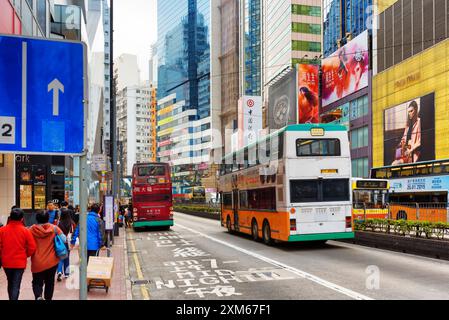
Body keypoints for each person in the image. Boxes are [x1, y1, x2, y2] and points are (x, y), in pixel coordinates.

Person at [0, 208, 36, 300]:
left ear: (10, 217)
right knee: (16, 284)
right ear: (22, 219)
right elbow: (32, 247)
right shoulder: (25, 231)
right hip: (20, 262)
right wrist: (25, 254)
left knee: (10, 282)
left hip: (6, 261)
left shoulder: (2, 230)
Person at [29, 211, 66, 301]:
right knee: (50, 282)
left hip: (37, 261)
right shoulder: (54, 228)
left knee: (37, 282)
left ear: (37, 219)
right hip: (52, 261)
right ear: (48, 218)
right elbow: (64, 239)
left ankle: (38, 296)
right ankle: (48, 298)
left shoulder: (31, 229)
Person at [392, 101, 422, 165]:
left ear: (416, 110)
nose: (410, 113)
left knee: (395, 164)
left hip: (413, 153)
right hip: (405, 152)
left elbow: (419, 141)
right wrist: (399, 145)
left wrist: (410, 150)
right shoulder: (408, 125)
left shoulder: (419, 122)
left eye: (411, 111)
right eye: (408, 111)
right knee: (394, 163)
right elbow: (404, 138)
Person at [57, 204, 74, 282]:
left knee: (61, 256)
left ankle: (59, 271)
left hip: (60, 241)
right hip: (68, 240)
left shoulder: (58, 222)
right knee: (67, 256)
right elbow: (72, 232)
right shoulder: (71, 222)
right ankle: (67, 273)